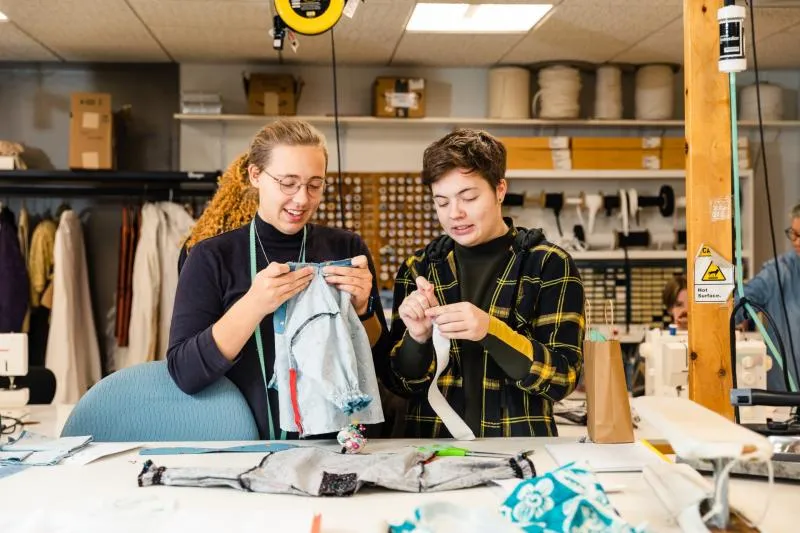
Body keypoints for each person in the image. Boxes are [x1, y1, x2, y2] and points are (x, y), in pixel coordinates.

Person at [167, 118, 390, 440]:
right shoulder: (210, 257)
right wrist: (254, 305)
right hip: (246, 445)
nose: (302, 199)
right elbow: (185, 373)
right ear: (255, 175)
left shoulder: (346, 247)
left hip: (336, 443)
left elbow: (380, 359)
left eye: (315, 185)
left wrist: (362, 310)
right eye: (288, 183)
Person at [382, 129, 585, 438]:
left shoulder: (547, 264)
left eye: (469, 197)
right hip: (432, 450)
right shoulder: (420, 268)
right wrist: (417, 338)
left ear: (499, 189)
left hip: (520, 450)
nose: (455, 214)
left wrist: (491, 331)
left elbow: (562, 379)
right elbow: (401, 384)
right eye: (442, 202)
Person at [735, 202, 800, 391]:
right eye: (794, 234)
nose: (796, 241)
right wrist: (701, 315)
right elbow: (740, 303)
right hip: (785, 399)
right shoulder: (778, 272)